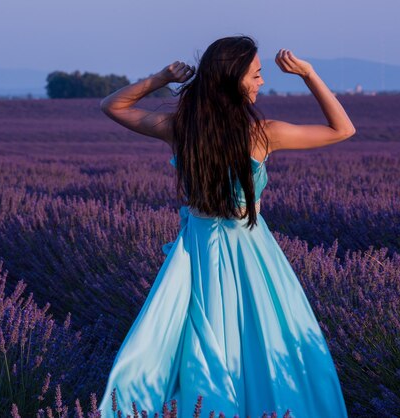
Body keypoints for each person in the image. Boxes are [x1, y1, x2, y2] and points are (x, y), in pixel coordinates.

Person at [97, 35, 354, 418]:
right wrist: (308, 74)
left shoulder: (179, 128)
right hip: (250, 251)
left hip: (197, 249)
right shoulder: (264, 133)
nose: (261, 82)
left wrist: (160, 78)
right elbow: (342, 129)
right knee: (260, 340)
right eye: (256, 74)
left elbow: (112, 105)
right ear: (234, 80)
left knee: (191, 342)